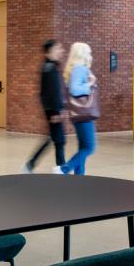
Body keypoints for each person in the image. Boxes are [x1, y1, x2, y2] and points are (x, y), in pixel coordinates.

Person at [24, 40, 67, 173]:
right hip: (53, 110)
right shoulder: (49, 68)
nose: (61, 51)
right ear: (49, 51)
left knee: (56, 139)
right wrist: (55, 112)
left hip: (54, 109)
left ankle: (32, 164)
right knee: (58, 140)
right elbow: (49, 92)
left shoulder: (51, 66)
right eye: (58, 49)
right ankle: (60, 168)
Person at [60, 42, 98, 175]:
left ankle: (79, 176)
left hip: (79, 113)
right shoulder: (79, 69)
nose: (90, 55)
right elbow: (75, 90)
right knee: (89, 147)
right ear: (83, 54)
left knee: (83, 147)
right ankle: (64, 169)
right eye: (89, 52)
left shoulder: (77, 69)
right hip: (83, 113)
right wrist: (90, 84)